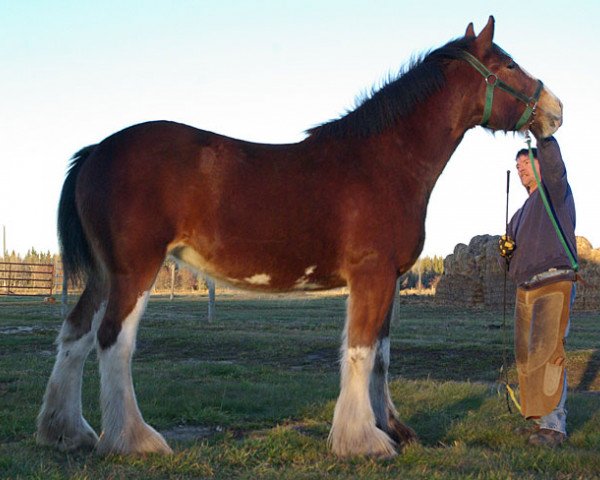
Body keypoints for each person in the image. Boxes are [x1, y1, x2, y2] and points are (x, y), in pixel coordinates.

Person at [499, 136, 577, 448]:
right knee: (526, 357)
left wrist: (542, 134)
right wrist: (504, 253)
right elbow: (510, 262)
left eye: (526, 163)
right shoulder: (518, 214)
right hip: (525, 287)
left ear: (540, 164)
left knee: (548, 353)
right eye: (517, 166)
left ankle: (554, 427)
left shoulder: (554, 193)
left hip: (553, 280)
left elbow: (556, 167)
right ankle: (535, 420)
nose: (520, 169)